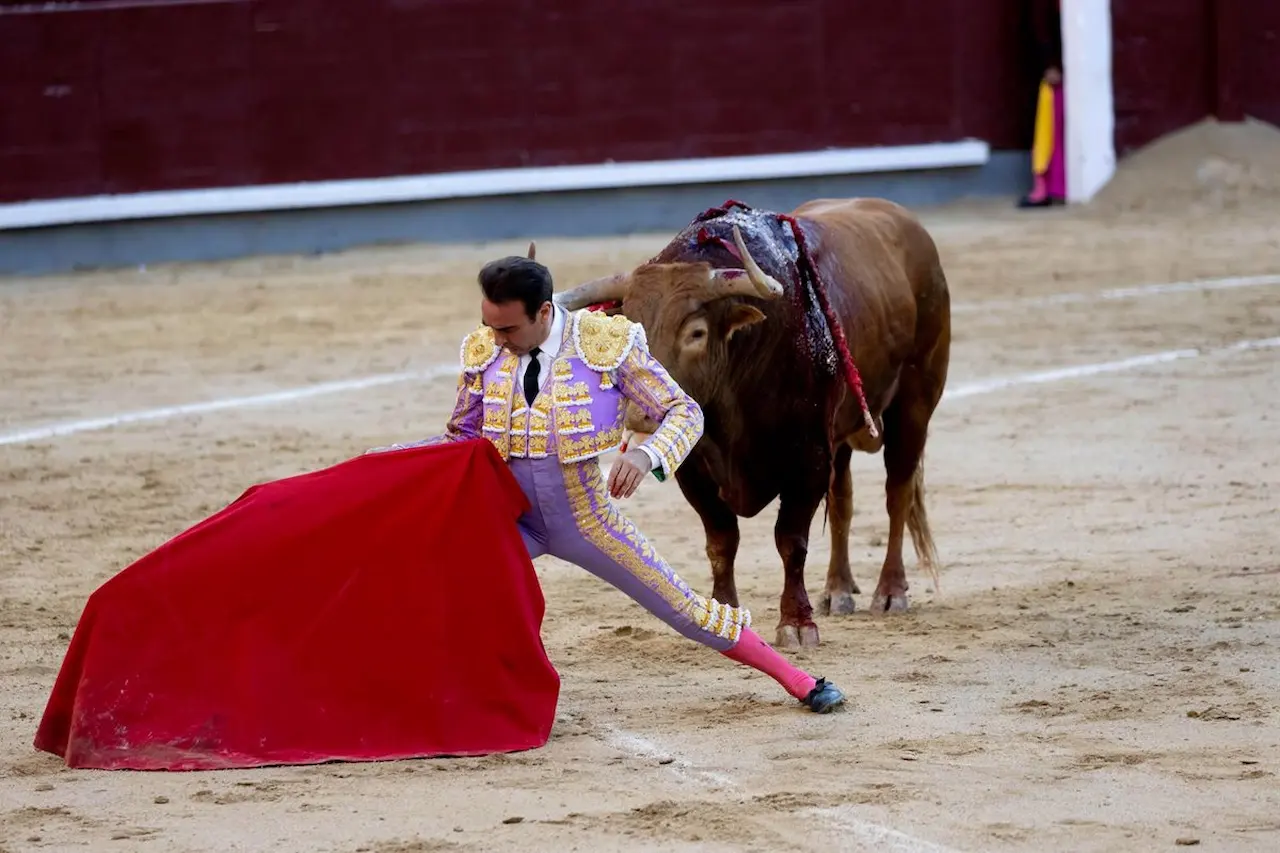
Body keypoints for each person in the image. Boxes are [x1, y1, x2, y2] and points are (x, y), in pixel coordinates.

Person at [371, 253, 846, 714]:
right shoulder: (485, 351)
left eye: (508, 329)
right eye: (490, 326)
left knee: (683, 608)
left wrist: (646, 454)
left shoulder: (605, 344)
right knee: (432, 582)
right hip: (507, 518)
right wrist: (387, 462)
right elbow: (462, 437)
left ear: (543, 312)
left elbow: (683, 411)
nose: (496, 339)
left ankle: (799, 681)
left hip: (585, 517)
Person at [1019, 0, 1066, 208]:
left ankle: (1052, 186)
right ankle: (1044, 185)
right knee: (1048, 126)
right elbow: (1040, 25)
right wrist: (1049, 64)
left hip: (1062, 68)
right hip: (1050, 72)